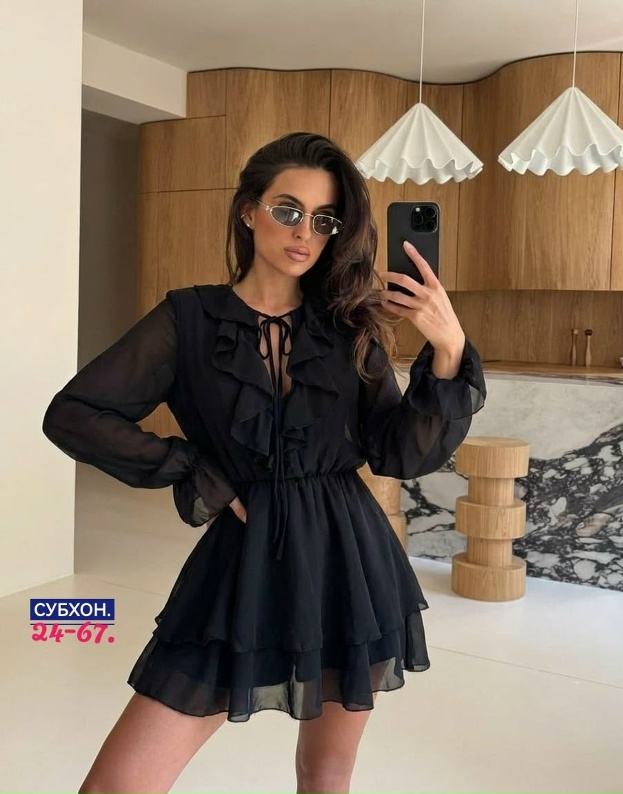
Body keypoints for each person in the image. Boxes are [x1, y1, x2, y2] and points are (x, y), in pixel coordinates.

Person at [43, 131, 486, 794]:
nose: (305, 232)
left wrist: (447, 351)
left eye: (324, 219)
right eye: (288, 210)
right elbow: (76, 414)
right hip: (241, 565)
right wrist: (193, 469)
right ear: (249, 210)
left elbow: (400, 451)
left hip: (349, 562)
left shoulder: (348, 327)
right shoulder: (189, 319)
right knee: (118, 785)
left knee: (324, 774)